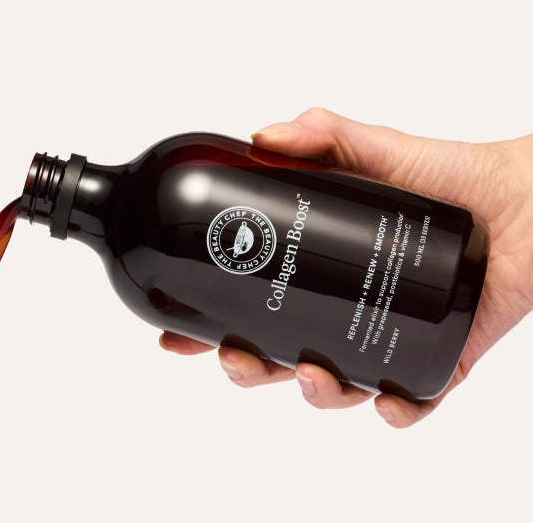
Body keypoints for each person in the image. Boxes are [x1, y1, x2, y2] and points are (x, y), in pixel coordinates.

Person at [159, 109, 533, 429]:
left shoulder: (174, 168)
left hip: (435, 242)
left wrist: (519, 198)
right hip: (414, 312)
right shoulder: (137, 271)